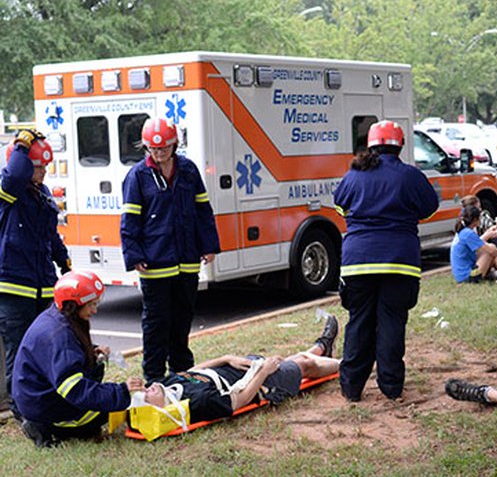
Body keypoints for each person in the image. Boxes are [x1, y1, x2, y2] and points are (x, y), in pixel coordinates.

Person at [333, 120, 439, 401]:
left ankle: (351, 388)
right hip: (400, 261)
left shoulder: (354, 175)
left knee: (359, 322)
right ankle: (391, 387)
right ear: (400, 144)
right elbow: (429, 208)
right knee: (392, 322)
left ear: (370, 144)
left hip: (358, 261)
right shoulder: (410, 176)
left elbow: (339, 205)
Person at [121, 118, 221, 382]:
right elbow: (130, 219)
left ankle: (182, 373)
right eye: (154, 149)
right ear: (146, 148)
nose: (159, 153)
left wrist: (209, 245)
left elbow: (203, 211)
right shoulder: (137, 176)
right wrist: (134, 255)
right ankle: (154, 377)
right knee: (156, 324)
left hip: (186, 260)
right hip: (155, 264)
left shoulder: (188, 170)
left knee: (182, 319)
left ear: (174, 145)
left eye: (164, 148)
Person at [13, 271, 143, 447]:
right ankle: (44, 427)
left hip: (38, 397)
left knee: (105, 402)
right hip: (44, 406)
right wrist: (121, 391)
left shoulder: (57, 318)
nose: (95, 310)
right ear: (73, 305)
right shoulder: (60, 336)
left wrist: (92, 352)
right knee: (110, 409)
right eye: (91, 305)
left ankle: (42, 422)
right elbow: (75, 390)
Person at [134, 315, 340, 424]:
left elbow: (194, 371)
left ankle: (323, 346)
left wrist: (226, 358)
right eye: (146, 398)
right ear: (159, 409)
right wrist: (264, 372)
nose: (147, 390)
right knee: (304, 365)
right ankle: (347, 363)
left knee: (290, 361)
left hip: (239, 368)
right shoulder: (200, 403)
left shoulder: (167, 386)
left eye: (143, 391)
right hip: (258, 382)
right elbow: (240, 401)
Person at [0, 129, 70, 414]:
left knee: (44, 346)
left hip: (42, 285)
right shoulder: (8, 192)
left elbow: (50, 235)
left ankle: (42, 400)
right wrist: (22, 143)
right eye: (38, 166)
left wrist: (63, 261)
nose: (43, 172)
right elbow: (15, 175)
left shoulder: (40, 193)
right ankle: (20, 410)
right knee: (18, 352)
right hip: (14, 289)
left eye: (44, 166)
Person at [450, 205, 497, 284]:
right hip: (467, 276)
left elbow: (480, 244)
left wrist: (488, 234)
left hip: (461, 275)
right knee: (489, 251)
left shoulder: (463, 232)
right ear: (475, 219)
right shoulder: (468, 233)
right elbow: (490, 250)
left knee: (489, 249)